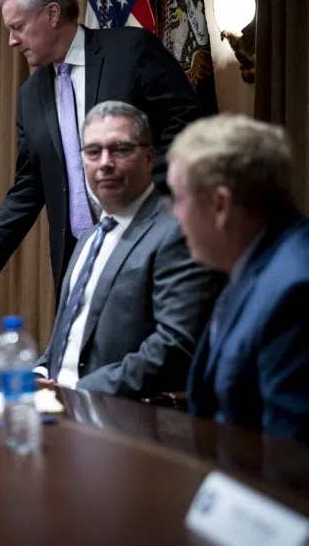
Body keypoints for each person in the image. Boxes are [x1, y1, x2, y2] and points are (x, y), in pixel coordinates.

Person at [0, 0, 204, 300]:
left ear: (52, 13)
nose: (12, 40)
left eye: (18, 27)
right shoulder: (30, 95)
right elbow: (29, 185)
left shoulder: (130, 51)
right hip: (79, 255)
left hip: (150, 235)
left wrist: (144, 191)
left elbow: (187, 123)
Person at [167, 114, 309, 445]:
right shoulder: (262, 259)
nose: (175, 216)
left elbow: (291, 462)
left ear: (220, 205)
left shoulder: (302, 292)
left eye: (178, 198)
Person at [32, 102, 223, 396]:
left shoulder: (177, 232)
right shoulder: (87, 238)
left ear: (149, 158)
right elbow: (66, 340)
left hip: (123, 415)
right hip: (60, 406)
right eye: (93, 152)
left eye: (120, 149)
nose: (105, 163)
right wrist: (40, 372)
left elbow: (175, 346)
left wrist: (76, 391)